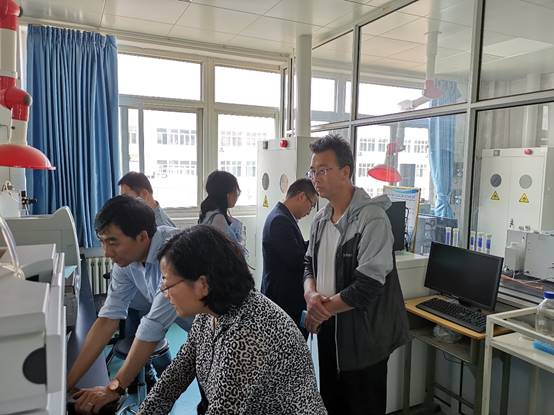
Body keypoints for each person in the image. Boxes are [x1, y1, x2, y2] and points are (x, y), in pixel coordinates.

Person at [137, 225, 326, 415]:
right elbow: (174, 377)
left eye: (168, 283)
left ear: (203, 284)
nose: (164, 292)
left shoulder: (248, 332)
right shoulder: (207, 315)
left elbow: (223, 410)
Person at [303, 134, 409, 415]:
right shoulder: (320, 220)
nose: (315, 178)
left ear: (345, 171)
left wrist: (320, 310)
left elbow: (368, 285)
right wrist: (311, 295)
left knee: (362, 406)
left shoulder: (372, 219)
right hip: (329, 333)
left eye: (323, 170)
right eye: (313, 171)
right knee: (331, 403)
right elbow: (308, 263)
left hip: (363, 340)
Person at [69, 195, 190, 413]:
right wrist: (68, 383)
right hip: (200, 331)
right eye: (102, 241)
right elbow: (108, 318)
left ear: (142, 237)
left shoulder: (174, 254)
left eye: (112, 242)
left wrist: (114, 389)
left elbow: (152, 328)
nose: (107, 252)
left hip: (228, 327)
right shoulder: (127, 262)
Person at [261, 178, 318, 337]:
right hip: (283, 301)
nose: (309, 211)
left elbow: (296, 247)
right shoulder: (280, 220)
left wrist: (316, 243)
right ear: (301, 196)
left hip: (284, 299)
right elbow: (296, 260)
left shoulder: (283, 216)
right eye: (311, 205)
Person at [198, 170, 245, 248]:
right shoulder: (218, 219)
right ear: (227, 194)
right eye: (235, 191)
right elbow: (233, 250)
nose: (237, 194)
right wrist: (242, 238)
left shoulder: (209, 212)